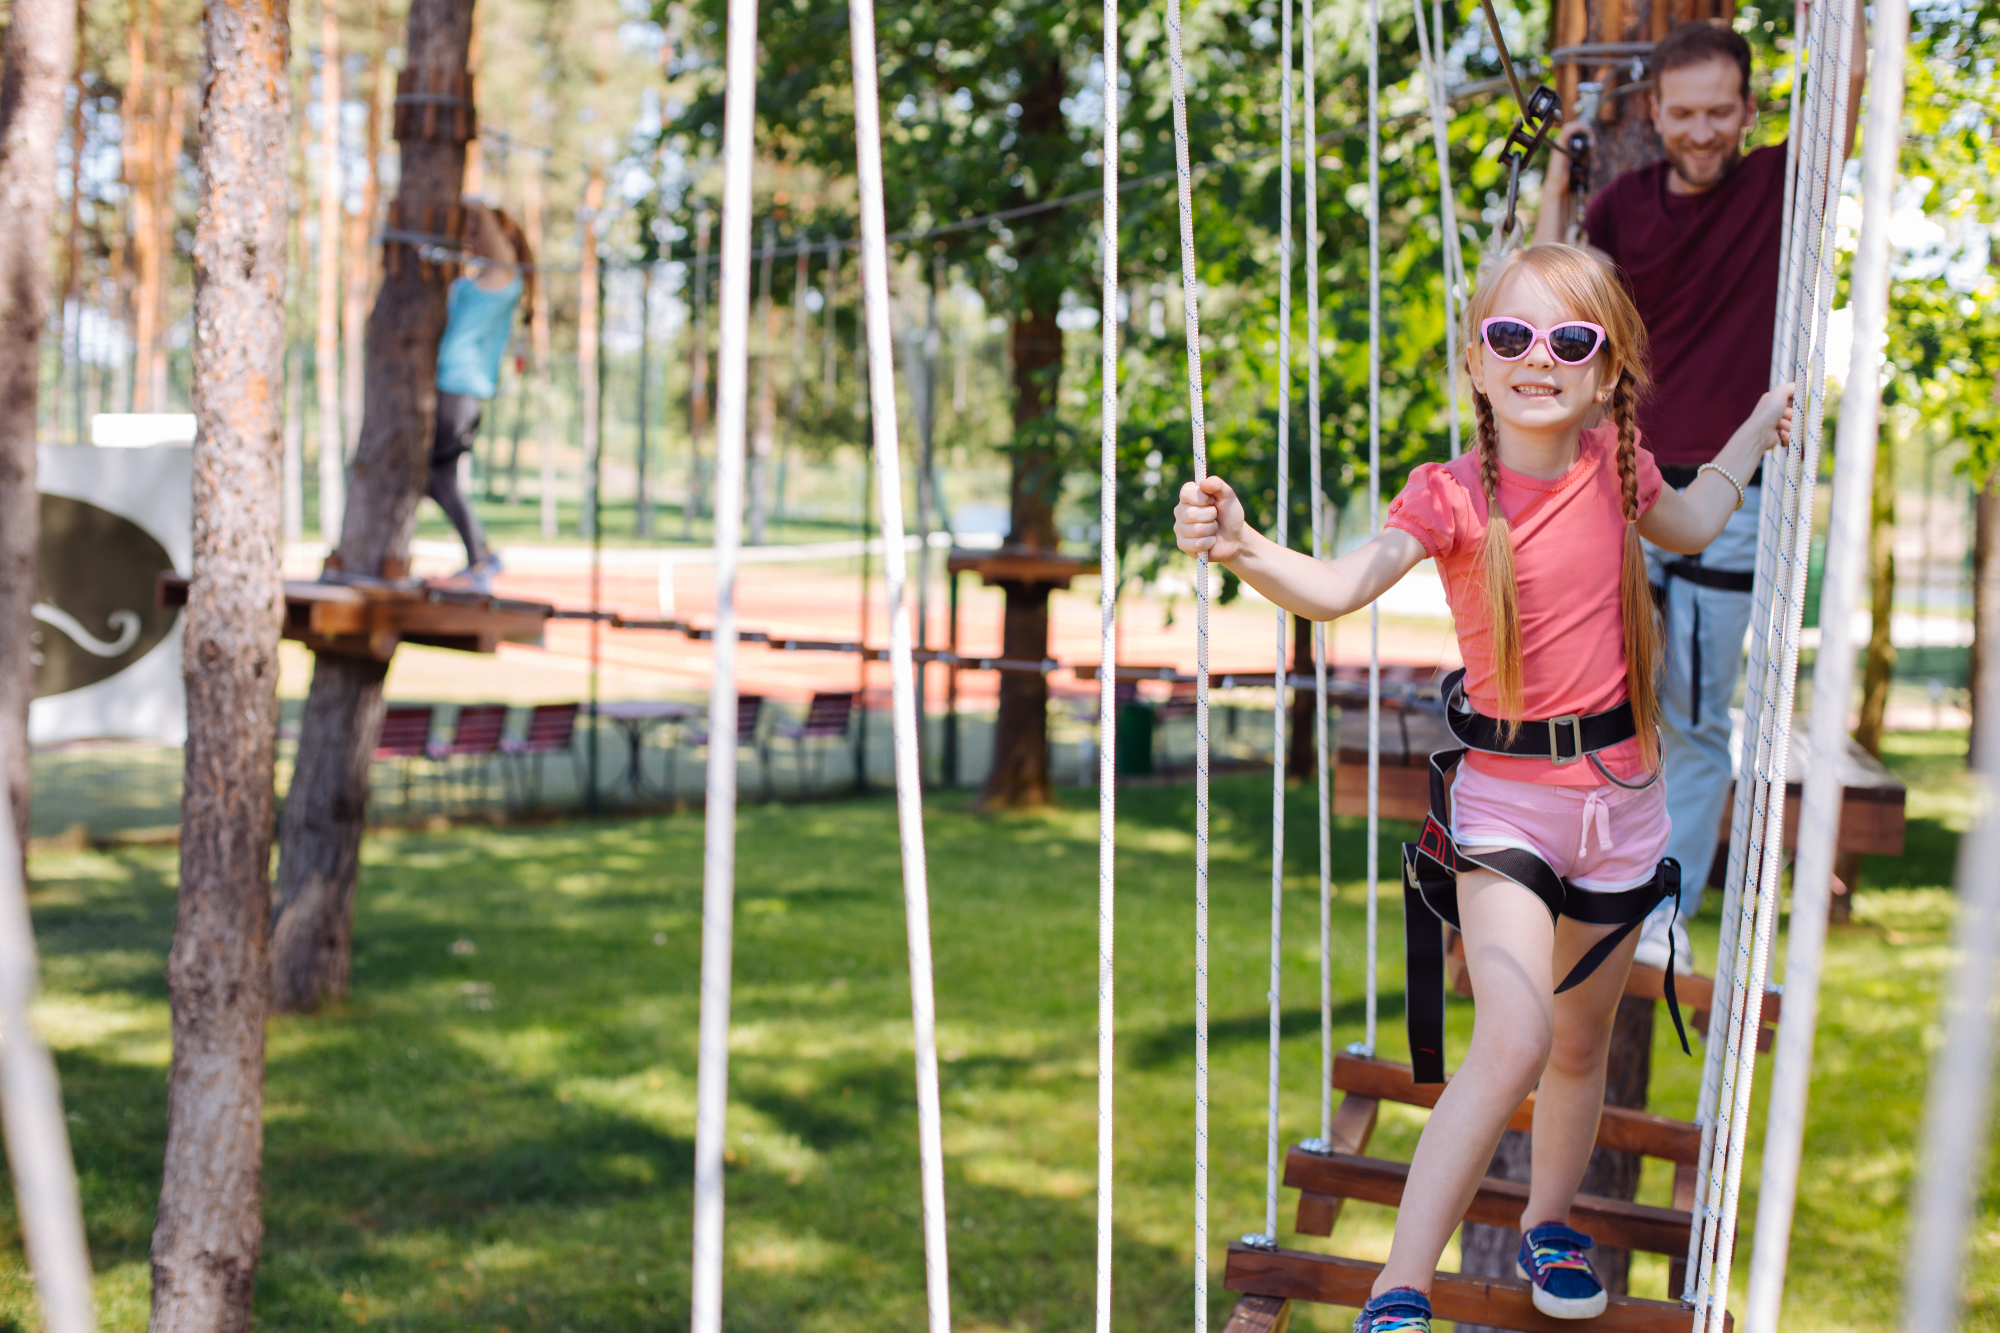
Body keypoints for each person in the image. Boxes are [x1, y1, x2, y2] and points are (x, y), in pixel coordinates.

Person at [1173, 244, 1793, 1330]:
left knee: (1576, 1044)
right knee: (1508, 1034)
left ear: (1606, 373)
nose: (1537, 357)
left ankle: (1552, 1223)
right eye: (1510, 336)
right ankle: (1396, 1288)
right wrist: (1243, 547)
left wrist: (1754, 432)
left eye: (1569, 339)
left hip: (1621, 807)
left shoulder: (1617, 465)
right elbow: (1333, 587)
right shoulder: (1452, 495)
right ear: (1476, 359)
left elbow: (1693, 523)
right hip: (1506, 809)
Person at [1534, 16, 1865, 972]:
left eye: (1721, 112)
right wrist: (1560, 180)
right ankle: (1577, 883)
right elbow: (1549, 295)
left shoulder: (1776, 186)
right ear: (1657, 111)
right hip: (1624, 483)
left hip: (1737, 486)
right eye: (1684, 113)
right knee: (1596, 699)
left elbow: (1842, 97)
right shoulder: (1625, 206)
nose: (1702, 131)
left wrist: (1838, 26)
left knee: (1696, 716)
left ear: (1749, 110)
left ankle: (1661, 911)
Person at [431, 201, 534, 590]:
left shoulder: (504, 276)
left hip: (461, 388)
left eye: (478, 230)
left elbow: (493, 233)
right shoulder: (479, 278)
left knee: (436, 476)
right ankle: (481, 557)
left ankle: (482, 559)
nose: (472, 238)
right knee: (435, 478)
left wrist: (472, 203)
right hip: (450, 387)